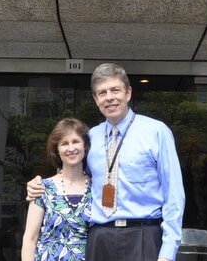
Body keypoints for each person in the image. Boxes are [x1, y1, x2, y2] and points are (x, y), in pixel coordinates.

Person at [27, 63, 185, 261]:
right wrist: (38, 185)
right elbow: (71, 176)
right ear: (95, 99)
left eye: (115, 90)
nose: (109, 97)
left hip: (143, 236)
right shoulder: (90, 138)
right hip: (99, 238)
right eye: (102, 93)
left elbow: (174, 196)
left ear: (128, 93)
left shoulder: (156, 132)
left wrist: (168, 253)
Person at [21, 118, 92, 261]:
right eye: (64, 143)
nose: (71, 148)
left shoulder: (97, 188)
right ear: (57, 150)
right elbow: (30, 238)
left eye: (76, 141)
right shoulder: (41, 188)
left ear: (85, 145)